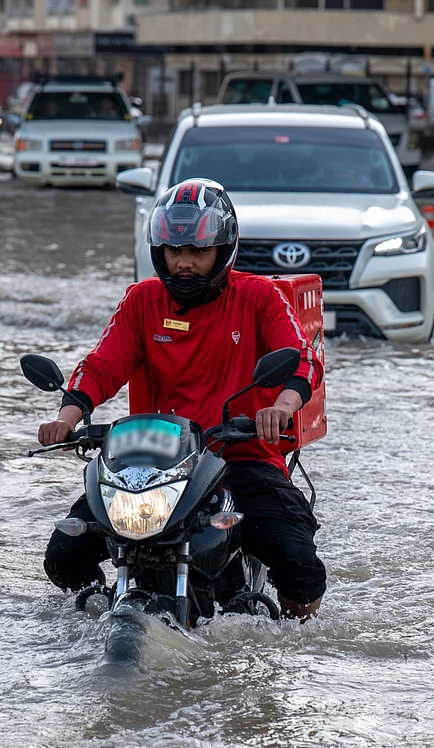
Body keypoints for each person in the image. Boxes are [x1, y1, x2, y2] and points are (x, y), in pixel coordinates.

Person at [37, 179, 328, 621]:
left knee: (297, 560)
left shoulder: (259, 298)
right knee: (63, 555)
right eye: (174, 251)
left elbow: (301, 360)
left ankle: (295, 633)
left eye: (196, 251)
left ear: (223, 249)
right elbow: (101, 366)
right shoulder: (142, 300)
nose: (184, 263)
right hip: (151, 461)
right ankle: (102, 612)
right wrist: (68, 414)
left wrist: (281, 408)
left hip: (239, 456)